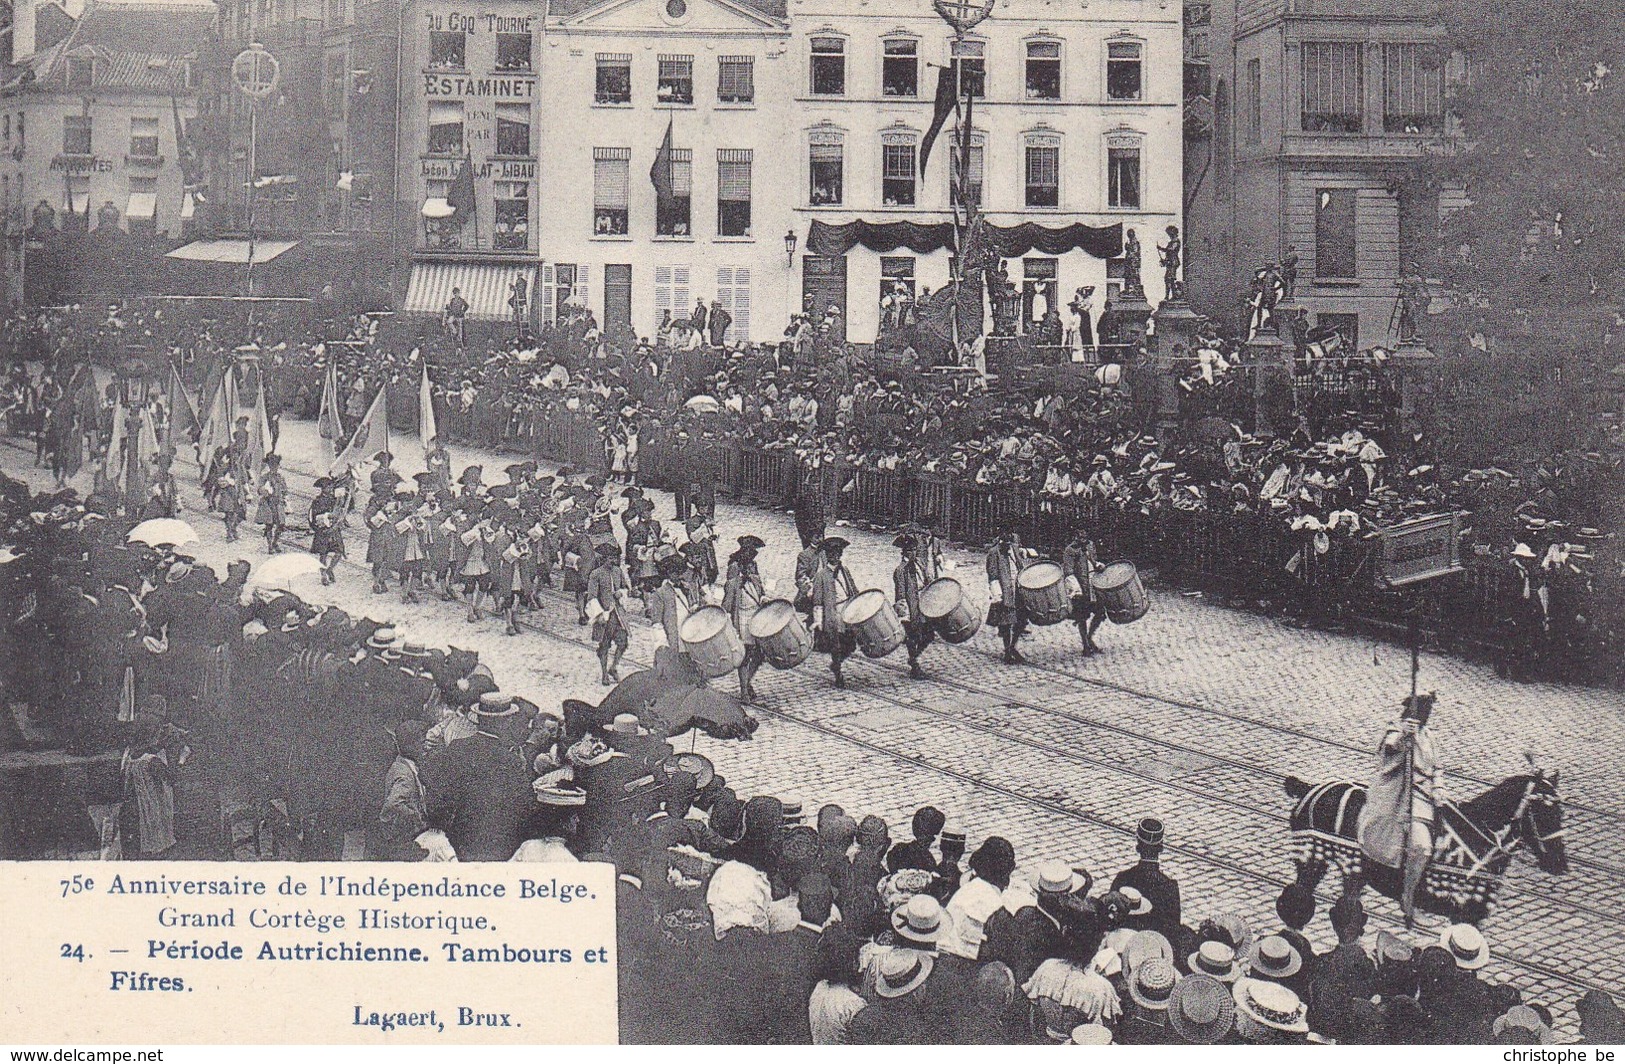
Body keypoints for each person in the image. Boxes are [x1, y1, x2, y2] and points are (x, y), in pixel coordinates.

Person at [1356, 692, 1441, 927]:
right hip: (1401, 795)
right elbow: (1391, 747)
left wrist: (1440, 788)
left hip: (1427, 795)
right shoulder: (1396, 729)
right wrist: (1406, 735)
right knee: (1422, 847)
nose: (1426, 716)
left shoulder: (1429, 736)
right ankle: (1408, 899)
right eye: (1422, 710)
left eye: (1428, 711)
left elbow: (1438, 767)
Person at [421, 693, 539, 861]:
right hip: (497, 844)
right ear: (505, 722)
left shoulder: (457, 747)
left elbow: (431, 780)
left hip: (457, 839)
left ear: (479, 718)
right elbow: (522, 805)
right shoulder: (510, 760)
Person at [1110, 817, 1181, 942]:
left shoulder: (1123, 879)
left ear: (1138, 846)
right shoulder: (1170, 887)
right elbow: (1174, 931)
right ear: (1161, 847)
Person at [810, 536, 858, 689]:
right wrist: (818, 622)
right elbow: (817, 601)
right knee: (836, 646)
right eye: (832, 554)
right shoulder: (821, 575)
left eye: (838, 553)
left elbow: (853, 589)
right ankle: (838, 674)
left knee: (851, 645)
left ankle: (835, 664)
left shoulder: (844, 570)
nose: (836, 556)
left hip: (847, 610)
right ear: (827, 555)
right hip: (832, 613)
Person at [724, 535, 767, 702]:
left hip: (755, 614)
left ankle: (747, 681)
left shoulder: (753, 567)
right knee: (745, 653)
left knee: (759, 653)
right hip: (741, 615)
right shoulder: (734, 568)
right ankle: (743, 690)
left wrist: (763, 597)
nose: (751, 561)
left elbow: (759, 587)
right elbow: (729, 594)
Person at [586, 542, 630, 686]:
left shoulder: (618, 571)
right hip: (604, 615)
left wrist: (621, 593)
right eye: (611, 558)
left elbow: (625, 588)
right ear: (604, 559)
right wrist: (599, 615)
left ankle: (614, 667)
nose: (613, 561)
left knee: (623, 643)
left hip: (618, 615)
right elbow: (591, 596)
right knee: (604, 646)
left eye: (615, 558)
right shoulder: (595, 574)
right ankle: (604, 673)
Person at [985, 526, 1028, 665]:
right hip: (1005, 592)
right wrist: (998, 594)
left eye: (1009, 535)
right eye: (1005, 536)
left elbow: (1020, 566)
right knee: (1006, 623)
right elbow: (992, 576)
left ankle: (1012, 646)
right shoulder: (993, 553)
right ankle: (1007, 650)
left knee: (1021, 621)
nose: (1008, 539)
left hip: (1018, 590)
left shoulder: (1015, 549)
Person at [892, 534, 933, 679]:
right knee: (912, 637)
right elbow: (901, 593)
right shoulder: (900, 570)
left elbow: (928, 580)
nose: (913, 553)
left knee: (929, 635)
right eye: (910, 550)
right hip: (911, 607)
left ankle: (914, 657)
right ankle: (914, 665)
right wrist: (904, 614)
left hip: (924, 604)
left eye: (915, 549)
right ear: (904, 552)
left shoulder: (919, 564)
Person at [1062, 527, 1106, 655]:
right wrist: (1076, 590)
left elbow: (1093, 561)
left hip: (1094, 585)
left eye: (1084, 536)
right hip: (1081, 587)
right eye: (1079, 536)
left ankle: (1090, 637)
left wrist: (1098, 565)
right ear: (1074, 537)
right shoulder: (1070, 550)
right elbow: (1068, 572)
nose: (1082, 539)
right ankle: (1085, 645)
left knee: (1100, 612)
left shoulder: (1091, 545)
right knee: (1082, 617)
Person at [310, 477, 345, 585]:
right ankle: (323, 575)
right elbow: (314, 516)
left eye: (331, 486)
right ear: (323, 488)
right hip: (323, 530)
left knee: (339, 552)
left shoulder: (334, 499)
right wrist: (328, 516)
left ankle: (330, 569)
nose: (330, 489)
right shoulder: (317, 501)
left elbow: (342, 509)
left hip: (334, 529)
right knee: (323, 554)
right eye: (328, 487)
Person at [255, 453, 287, 554]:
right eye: (272, 465)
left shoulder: (280, 477)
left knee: (281, 525)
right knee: (269, 525)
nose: (274, 467)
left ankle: (275, 542)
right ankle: (270, 546)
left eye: (276, 465)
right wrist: (265, 490)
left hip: (278, 504)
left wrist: (284, 497)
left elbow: (285, 490)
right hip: (268, 503)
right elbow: (259, 489)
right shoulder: (265, 477)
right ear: (269, 466)